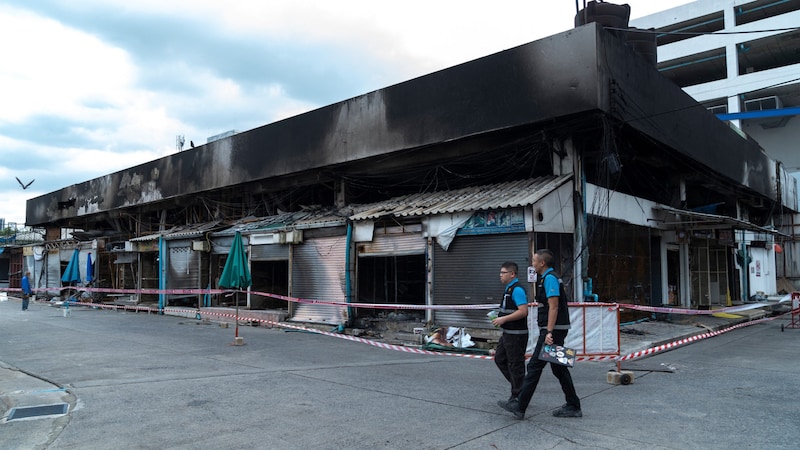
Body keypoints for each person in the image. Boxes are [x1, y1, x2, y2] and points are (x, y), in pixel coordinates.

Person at [499, 249, 581, 419]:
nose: (532, 264)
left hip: (554, 330)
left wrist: (549, 332)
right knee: (560, 369)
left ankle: (520, 406)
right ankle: (573, 404)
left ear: (542, 263)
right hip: (556, 329)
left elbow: (554, 306)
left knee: (535, 366)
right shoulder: (546, 278)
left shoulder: (550, 278)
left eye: (534, 261)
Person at [491, 262, 528, 409]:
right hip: (507, 333)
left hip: (516, 335)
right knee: (500, 359)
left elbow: (523, 311)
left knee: (516, 364)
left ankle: (517, 396)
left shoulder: (517, 289)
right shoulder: (508, 289)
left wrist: (503, 319)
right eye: (500, 272)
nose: (500, 275)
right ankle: (521, 389)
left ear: (512, 274)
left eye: (503, 272)